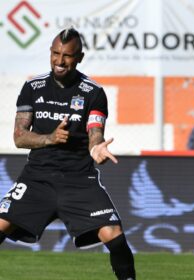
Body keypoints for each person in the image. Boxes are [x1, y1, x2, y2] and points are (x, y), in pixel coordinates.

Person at [0, 28, 136, 280]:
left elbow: (95, 131)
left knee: (113, 233)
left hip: (78, 180)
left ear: (80, 58)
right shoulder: (33, 86)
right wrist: (49, 138)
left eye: (67, 56)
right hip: (37, 178)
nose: (59, 61)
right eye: (55, 53)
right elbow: (19, 137)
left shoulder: (93, 92)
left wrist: (97, 148)